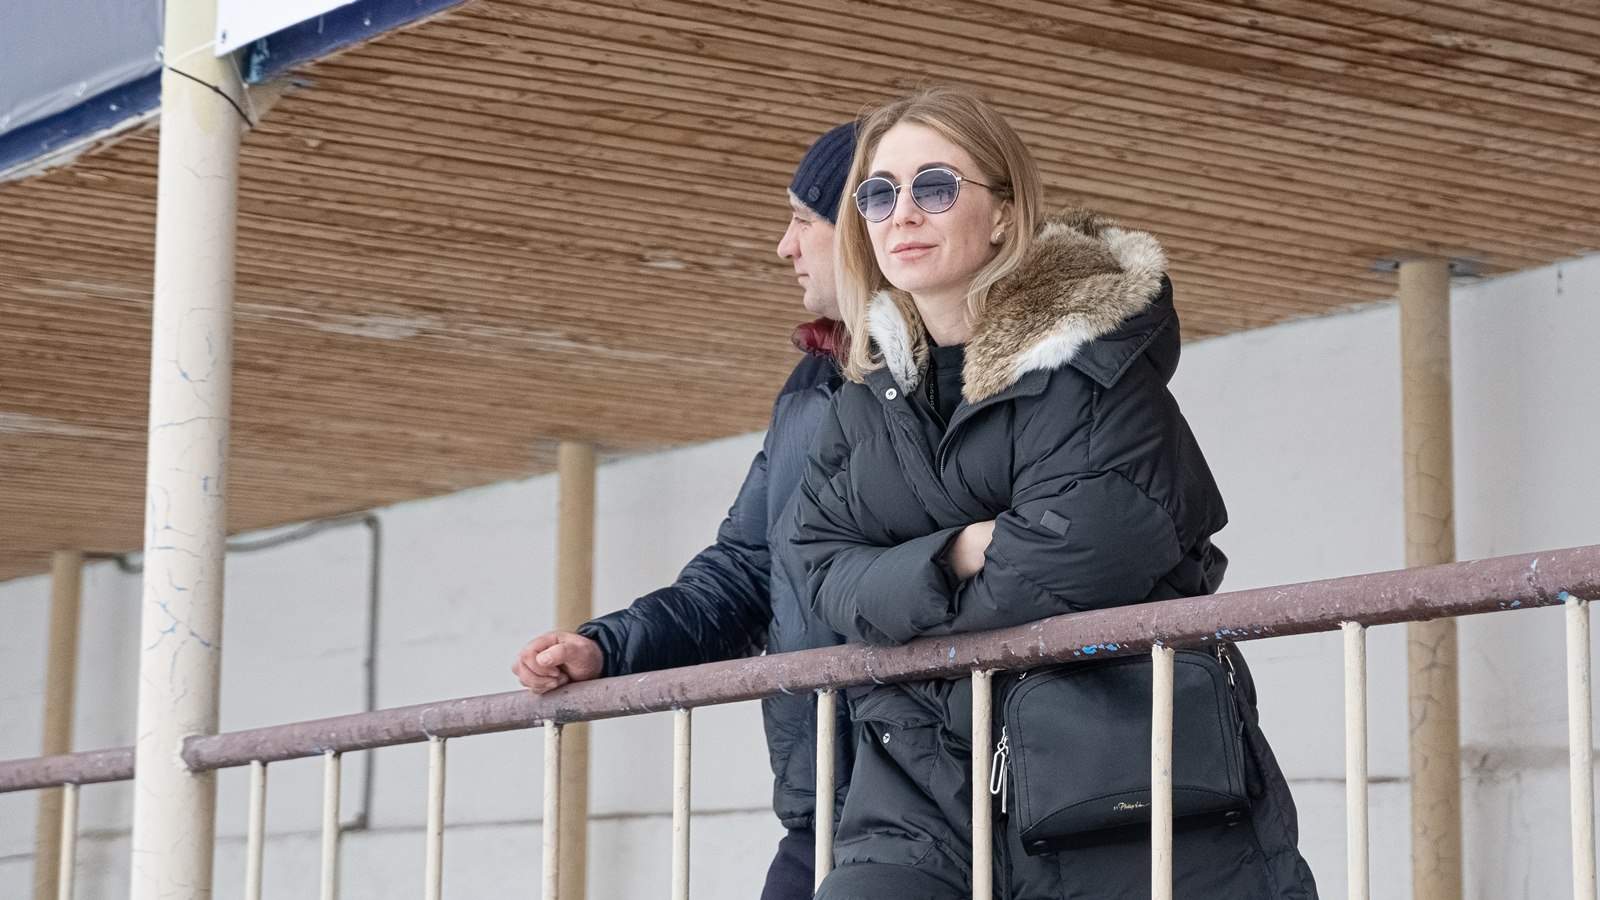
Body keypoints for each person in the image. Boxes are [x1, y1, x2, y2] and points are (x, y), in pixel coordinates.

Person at [790, 86, 1318, 899]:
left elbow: (1065, 565)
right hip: (919, 799)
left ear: (1003, 214)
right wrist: (956, 553)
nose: (904, 214)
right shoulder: (864, 394)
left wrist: (898, 601)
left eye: (935, 187)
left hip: (1113, 785)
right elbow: (821, 567)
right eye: (879, 194)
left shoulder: (1094, 364)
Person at [511, 122, 857, 900]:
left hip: (959, 809)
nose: (784, 247)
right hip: (826, 812)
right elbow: (744, 572)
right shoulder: (812, 387)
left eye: (805, 221)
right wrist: (607, 648)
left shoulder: (969, 377)